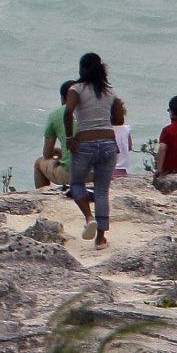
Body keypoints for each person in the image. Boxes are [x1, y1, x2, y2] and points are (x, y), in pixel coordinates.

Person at [62, 52, 120, 248]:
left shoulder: (76, 89)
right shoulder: (110, 92)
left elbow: (68, 111)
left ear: (82, 69)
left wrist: (69, 138)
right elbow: (119, 119)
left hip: (85, 143)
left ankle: (89, 218)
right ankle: (101, 239)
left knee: (76, 184)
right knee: (102, 191)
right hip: (109, 143)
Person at [35, 82, 73, 188]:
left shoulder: (55, 115)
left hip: (73, 173)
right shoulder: (91, 111)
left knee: (39, 163)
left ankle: (43, 195)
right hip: (99, 171)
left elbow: (47, 154)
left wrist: (56, 152)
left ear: (63, 98)